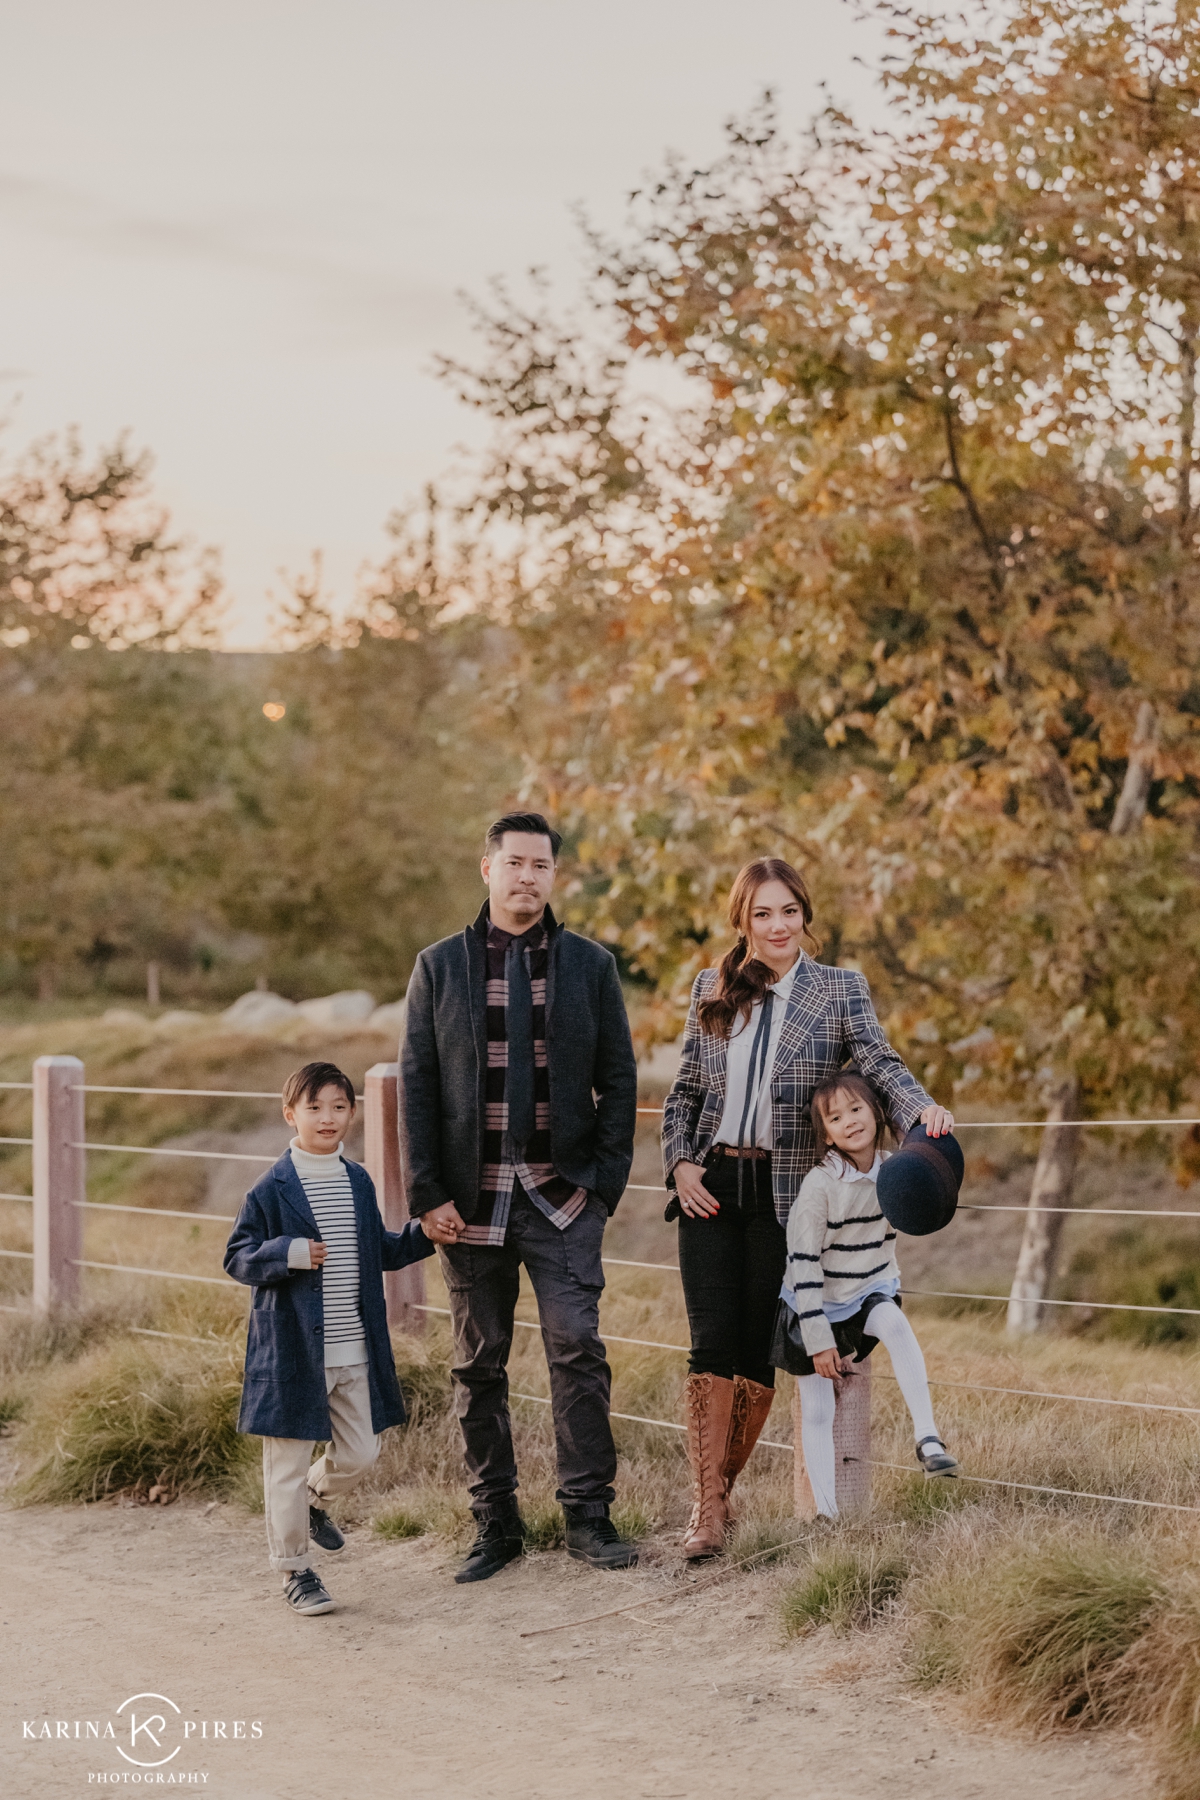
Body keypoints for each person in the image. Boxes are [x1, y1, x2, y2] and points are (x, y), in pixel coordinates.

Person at [661, 856, 953, 1558]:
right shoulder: (712, 987)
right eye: (762, 913)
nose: (777, 925)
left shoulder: (838, 990)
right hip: (711, 1184)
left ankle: (719, 1492)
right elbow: (684, 1094)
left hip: (784, 1193)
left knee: (758, 1349)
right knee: (708, 1342)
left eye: (788, 910)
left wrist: (920, 1111)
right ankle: (708, 1511)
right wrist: (678, 1164)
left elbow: (878, 1063)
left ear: (805, 915)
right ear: (743, 921)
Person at [400, 810, 640, 1582]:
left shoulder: (590, 967)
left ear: (552, 876)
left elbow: (621, 1080)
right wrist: (427, 1191)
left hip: (562, 1197)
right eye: (516, 863)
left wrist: (602, 1185)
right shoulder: (438, 967)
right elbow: (418, 1086)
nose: (528, 877)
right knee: (478, 1366)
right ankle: (495, 1524)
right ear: (488, 869)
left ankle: (588, 1518)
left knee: (577, 1351)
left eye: (542, 866)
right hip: (470, 1205)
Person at [224, 1061, 442, 1615]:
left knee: (362, 1452)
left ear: (352, 1113)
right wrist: (290, 1253)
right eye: (315, 1107)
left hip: (354, 1348)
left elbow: (381, 1251)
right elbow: (238, 1257)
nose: (328, 1118)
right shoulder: (270, 1189)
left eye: (339, 1107)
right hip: (295, 1353)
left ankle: (316, 1503)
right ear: (289, 1113)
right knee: (287, 1467)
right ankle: (295, 1570)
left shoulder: (357, 1179)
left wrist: (426, 1235)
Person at [781, 1072, 959, 1518]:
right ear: (825, 1134)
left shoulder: (894, 1173)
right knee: (818, 1408)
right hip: (814, 1302)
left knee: (896, 1323)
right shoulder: (819, 1187)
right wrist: (819, 1339)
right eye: (835, 1117)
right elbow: (803, 1263)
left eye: (857, 1109)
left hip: (866, 1292)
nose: (850, 1122)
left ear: (877, 1113)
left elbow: (897, 1232)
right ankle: (825, 1514)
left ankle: (928, 1438)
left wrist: (935, 1124)